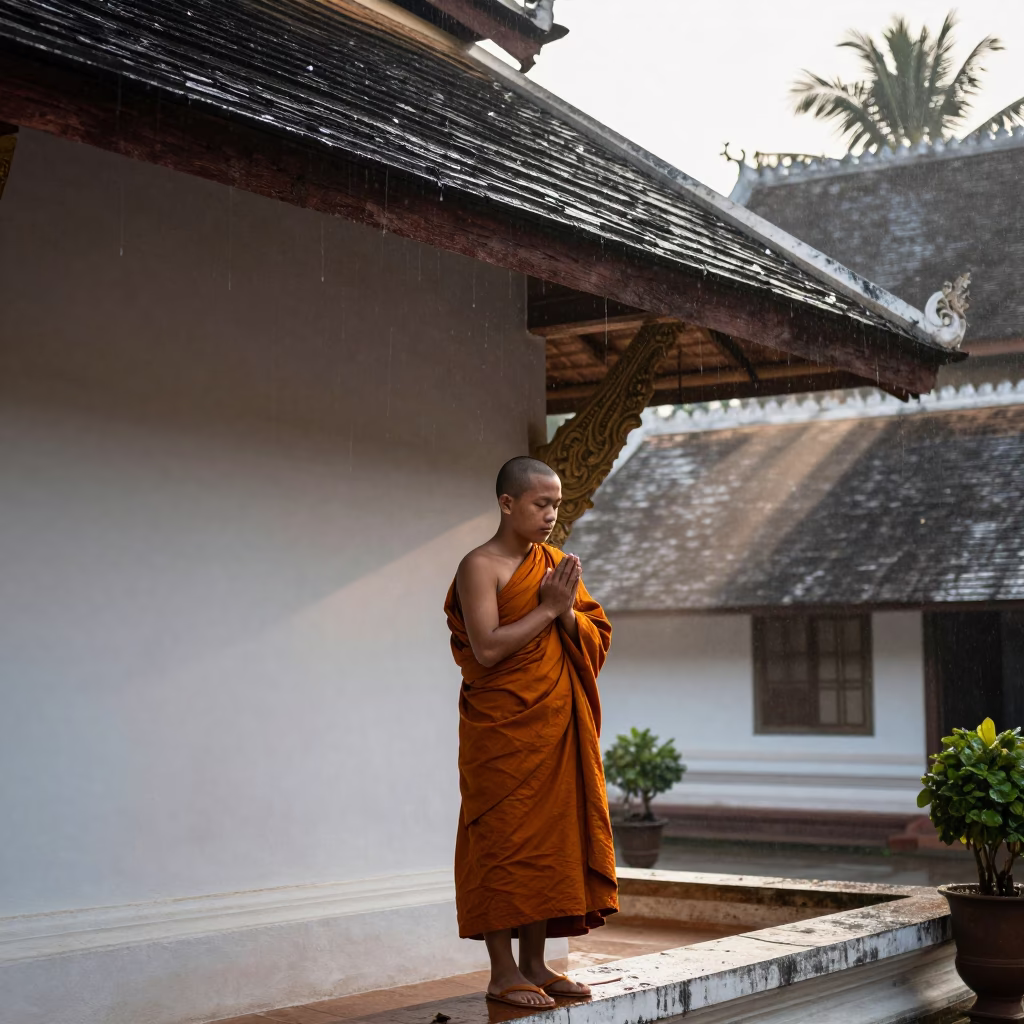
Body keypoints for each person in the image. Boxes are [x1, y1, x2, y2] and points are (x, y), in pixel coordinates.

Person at [443, 455, 618, 1010]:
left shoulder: (558, 565)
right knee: (504, 840)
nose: (549, 515)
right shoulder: (481, 565)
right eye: (540, 504)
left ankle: (537, 963)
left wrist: (565, 612)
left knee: (550, 842)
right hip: (503, 729)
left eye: (557, 505)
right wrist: (549, 609)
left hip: (554, 727)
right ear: (507, 503)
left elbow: (595, 638)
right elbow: (489, 648)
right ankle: (501, 972)